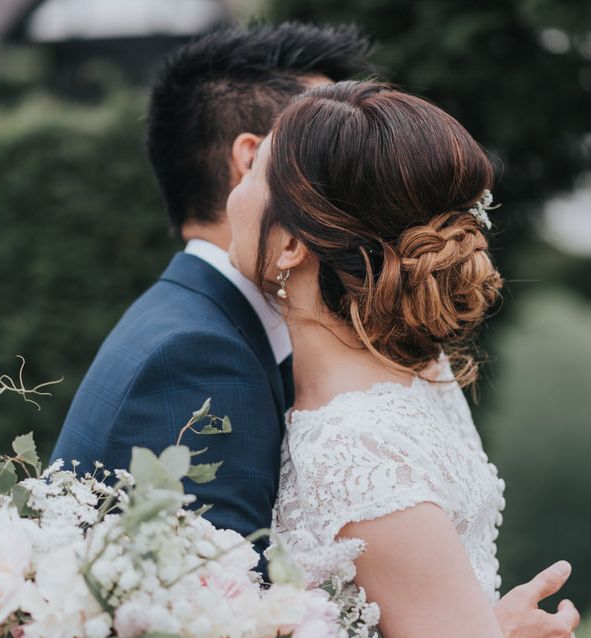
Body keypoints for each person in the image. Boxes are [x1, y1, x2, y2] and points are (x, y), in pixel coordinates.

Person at [226, 80, 581, 638]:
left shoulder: (362, 450)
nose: (233, 191)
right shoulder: (421, 366)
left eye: (254, 172)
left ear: (290, 245)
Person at [50, 22, 373, 545]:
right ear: (253, 161)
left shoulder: (212, 323)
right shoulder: (197, 356)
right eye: (333, 151)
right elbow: (234, 607)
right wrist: (460, 631)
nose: (359, 176)